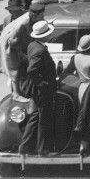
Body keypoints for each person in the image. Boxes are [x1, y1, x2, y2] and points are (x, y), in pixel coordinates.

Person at [19, 20, 57, 155]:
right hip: (42, 91)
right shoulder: (40, 50)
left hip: (36, 90)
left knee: (35, 116)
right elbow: (31, 70)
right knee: (44, 118)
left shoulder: (32, 45)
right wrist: (42, 83)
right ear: (44, 35)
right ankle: (42, 149)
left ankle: (24, 146)